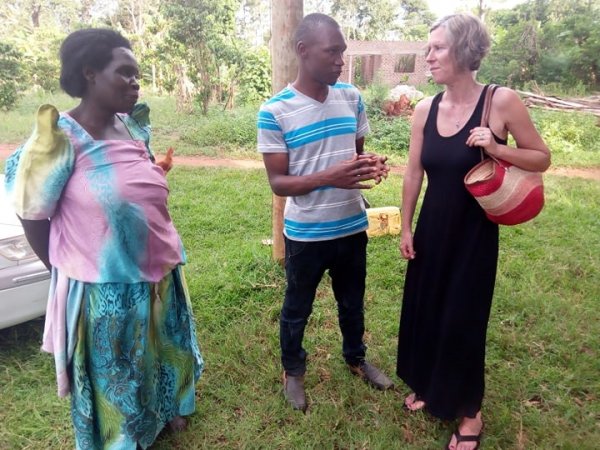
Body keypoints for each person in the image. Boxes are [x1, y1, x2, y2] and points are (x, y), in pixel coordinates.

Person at [4, 28, 204, 450]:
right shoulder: (60, 139)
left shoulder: (130, 126)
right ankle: (123, 439)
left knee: (162, 351)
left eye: (138, 75)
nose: (135, 82)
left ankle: (166, 410)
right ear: (90, 73)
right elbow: (32, 215)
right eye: (125, 73)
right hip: (104, 286)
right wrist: (64, 269)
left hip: (160, 267)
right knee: (118, 371)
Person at [396, 14, 550, 450]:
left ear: (464, 51)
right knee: (426, 308)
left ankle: (470, 414)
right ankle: (428, 384)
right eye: (428, 48)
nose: (428, 56)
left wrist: (496, 147)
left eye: (438, 48)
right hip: (431, 231)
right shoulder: (425, 109)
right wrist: (406, 226)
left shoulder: (500, 102)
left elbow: (541, 158)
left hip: (474, 236)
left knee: (462, 318)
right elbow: (412, 175)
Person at [257, 13, 393, 412]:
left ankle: (356, 357)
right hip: (306, 232)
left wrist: (371, 166)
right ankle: (294, 372)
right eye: (332, 52)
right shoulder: (275, 111)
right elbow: (279, 183)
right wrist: (331, 176)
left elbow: (356, 156)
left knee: (353, 301)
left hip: (351, 224)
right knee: (297, 307)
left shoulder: (351, 97)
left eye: (342, 52)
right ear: (302, 51)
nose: (339, 60)